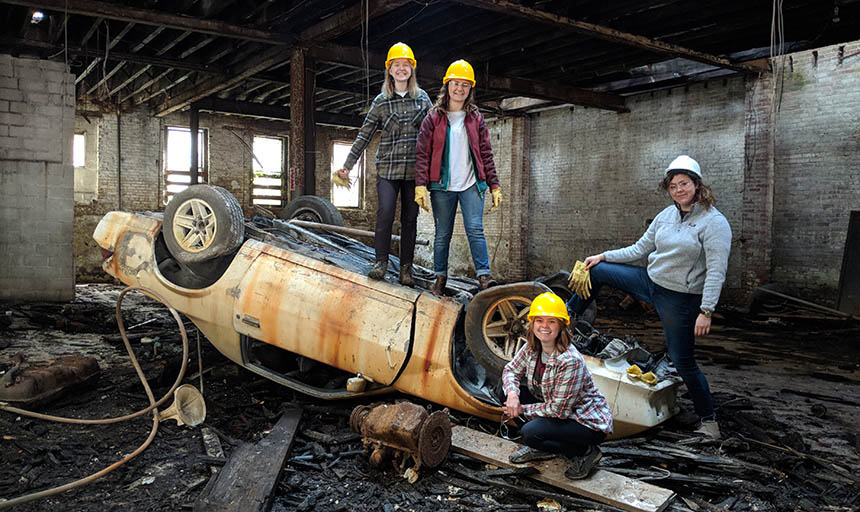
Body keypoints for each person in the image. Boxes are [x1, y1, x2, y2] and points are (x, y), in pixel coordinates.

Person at [566, 155, 732, 439]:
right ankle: (567, 320)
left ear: (697, 184)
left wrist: (706, 311)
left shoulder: (714, 223)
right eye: (673, 186)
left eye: (684, 183)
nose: (678, 190)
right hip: (650, 281)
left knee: (683, 361)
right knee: (598, 271)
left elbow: (717, 270)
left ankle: (709, 422)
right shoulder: (666, 216)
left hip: (680, 299)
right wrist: (603, 255)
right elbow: (639, 249)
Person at [333, 42, 433, 286]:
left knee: (410, 220)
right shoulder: (380, 101)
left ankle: (406, 269)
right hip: (388, 169)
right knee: (385, 214)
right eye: (396, 65)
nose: (401, 69)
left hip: (414, 173)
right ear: (389, 70)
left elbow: (436, 134)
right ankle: (381, 263)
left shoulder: (422, 99)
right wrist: (348, 165)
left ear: (412, 69)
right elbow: (364, 135)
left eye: (405, 65)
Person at [414, 59, 502, 295]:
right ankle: (440, 277)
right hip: (442, 186)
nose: (460, 89)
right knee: (443, 233)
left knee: (475, 229)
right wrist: (420, 185)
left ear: (470, 88)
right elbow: (422, 153)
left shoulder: (476, 118)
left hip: (472, 184)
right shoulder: (433, 118)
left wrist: (494, 185)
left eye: (465, 84)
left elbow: (486, 153)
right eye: (456, 83)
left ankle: (484, 277)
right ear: (447, 85)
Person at [502, 292, 613, 480]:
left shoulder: (569, 360)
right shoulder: (532, 346)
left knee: (530, 432)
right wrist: (512, 395)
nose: (544, 327)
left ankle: (585, 452)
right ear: (532, 323)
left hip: (584, 421)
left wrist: (522, 409)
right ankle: (543, 447)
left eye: (552, 321)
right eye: (539, 320)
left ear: (562, 325)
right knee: (503, 393)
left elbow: (558, 410)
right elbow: (511, 370)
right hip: (556, 407)